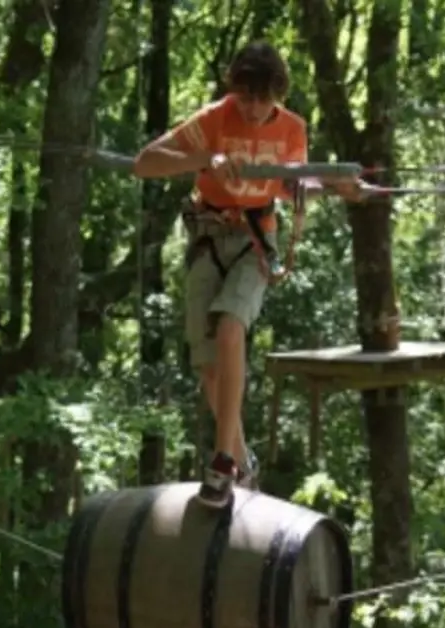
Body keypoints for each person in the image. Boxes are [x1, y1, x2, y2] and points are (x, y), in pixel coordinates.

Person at [133, 40, 371, 508]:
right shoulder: (214, 119)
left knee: (230, 326)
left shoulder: (291, 129)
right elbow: (146, 164)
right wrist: (205, 160)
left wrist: (341, 187)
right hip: (207, 235)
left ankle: (222, 461)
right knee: (207, 368)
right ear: (234, 91)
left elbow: (291, 186)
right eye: (247, 97)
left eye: (265, 98)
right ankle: (243, 465)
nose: (256, 108)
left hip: (254, 239)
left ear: (279, 94)